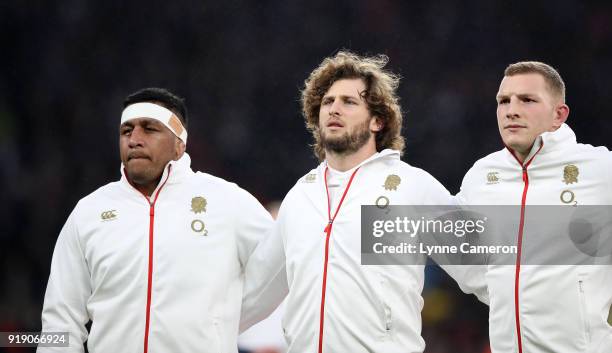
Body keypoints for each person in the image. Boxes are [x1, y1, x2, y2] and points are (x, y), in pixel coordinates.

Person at [241, 51, 483, 353]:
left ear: (377, 121)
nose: (334, 109)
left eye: (349, 102)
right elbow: (251, 296)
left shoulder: (410, 187)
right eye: (327, 102)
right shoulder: (300, 197)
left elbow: (484, 268)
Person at [38, 88, 273, 353]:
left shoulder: (228, 201)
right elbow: (60, 318)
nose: (134, 139)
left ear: (179, 144)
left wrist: (223, 321)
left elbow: (280, 271)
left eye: (149, 129)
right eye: (126, 131)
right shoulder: (89, 212)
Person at [456, 61, 612, 352]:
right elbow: (460, 255)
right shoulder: (481, 176)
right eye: (504, 101)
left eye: (527, 100)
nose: (511, 110)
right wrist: (501, 285)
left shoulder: (600, 168)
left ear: (559, 115)